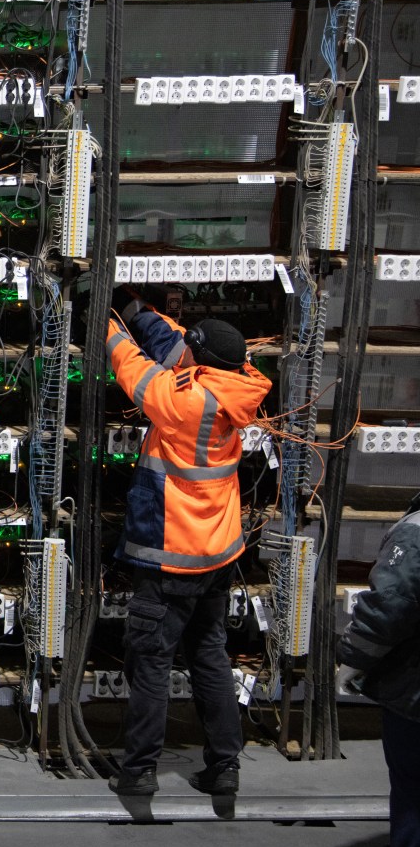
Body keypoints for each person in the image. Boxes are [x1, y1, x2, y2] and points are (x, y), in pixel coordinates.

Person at [103, 290, 273, 797]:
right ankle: (225, 767)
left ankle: (138, 771)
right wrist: (139, 312)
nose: (185, 353)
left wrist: (108, 326)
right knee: (209, 657)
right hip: (217, 555)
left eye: (192, 351)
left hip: (171, 556)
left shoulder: (185, 403)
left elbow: (134, 369)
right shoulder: (236, 382)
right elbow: (176, 344)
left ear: (203, 361)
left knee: (151, 663)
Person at [337, 493, 420, 847]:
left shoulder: (417, 532)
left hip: (414, 696)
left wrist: (354, 659)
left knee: (413, 791)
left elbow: (390, 606)